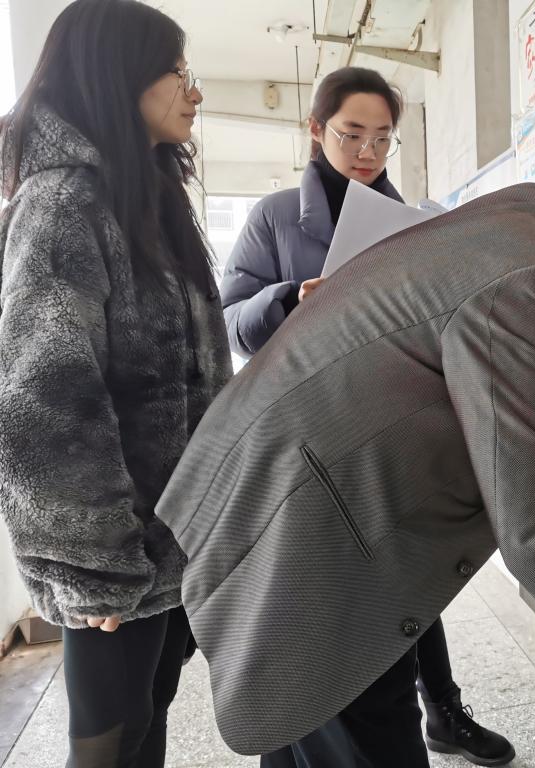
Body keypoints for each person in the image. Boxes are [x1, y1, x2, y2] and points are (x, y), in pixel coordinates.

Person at [156, 169, 535, 766]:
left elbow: (514, 471)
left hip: (294, 494)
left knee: (311, 739)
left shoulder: (533, 218)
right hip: (317, 541)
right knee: (361, 736)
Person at [217, 66, 513, 766]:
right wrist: (291, 300)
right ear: (316, 130)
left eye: (383, 139)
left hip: (397, 427)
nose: (368, 153)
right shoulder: (274, 219)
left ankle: (443, 709)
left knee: (410, 580)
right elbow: (230, 322)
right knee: (334, 609)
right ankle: (336, 728)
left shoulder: (414, 223)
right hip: (311, 438)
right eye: (352, 134)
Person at [0, 1, 232, 765]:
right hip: (112, 554)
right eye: (177, 73)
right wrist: (90, 566)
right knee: (108, 745)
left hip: (164, 543)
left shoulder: (146, 199)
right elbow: (43, 402)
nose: (194, 91)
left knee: (148, 719)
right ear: (118, 76)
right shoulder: (63, 203)